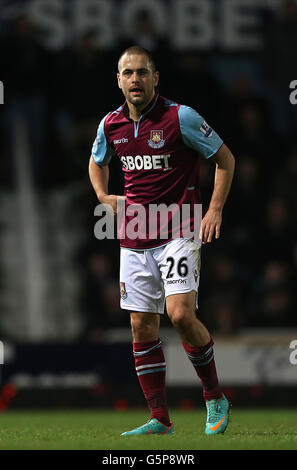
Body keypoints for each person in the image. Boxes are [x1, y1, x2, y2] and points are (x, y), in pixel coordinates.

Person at [89, 45, 235, 436]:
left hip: (180, 228)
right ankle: (159, 418)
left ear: (155, 78)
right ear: (118, 80)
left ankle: (214, 396)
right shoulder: (110, 125)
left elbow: (225, 159)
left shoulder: (180, 117)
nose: (135, 79)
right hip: (136, 233)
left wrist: (214, 209)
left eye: (142, 72)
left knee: (181, 315)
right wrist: (104, 197)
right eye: (128, 73)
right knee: (140, 325)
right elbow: (96, 159)